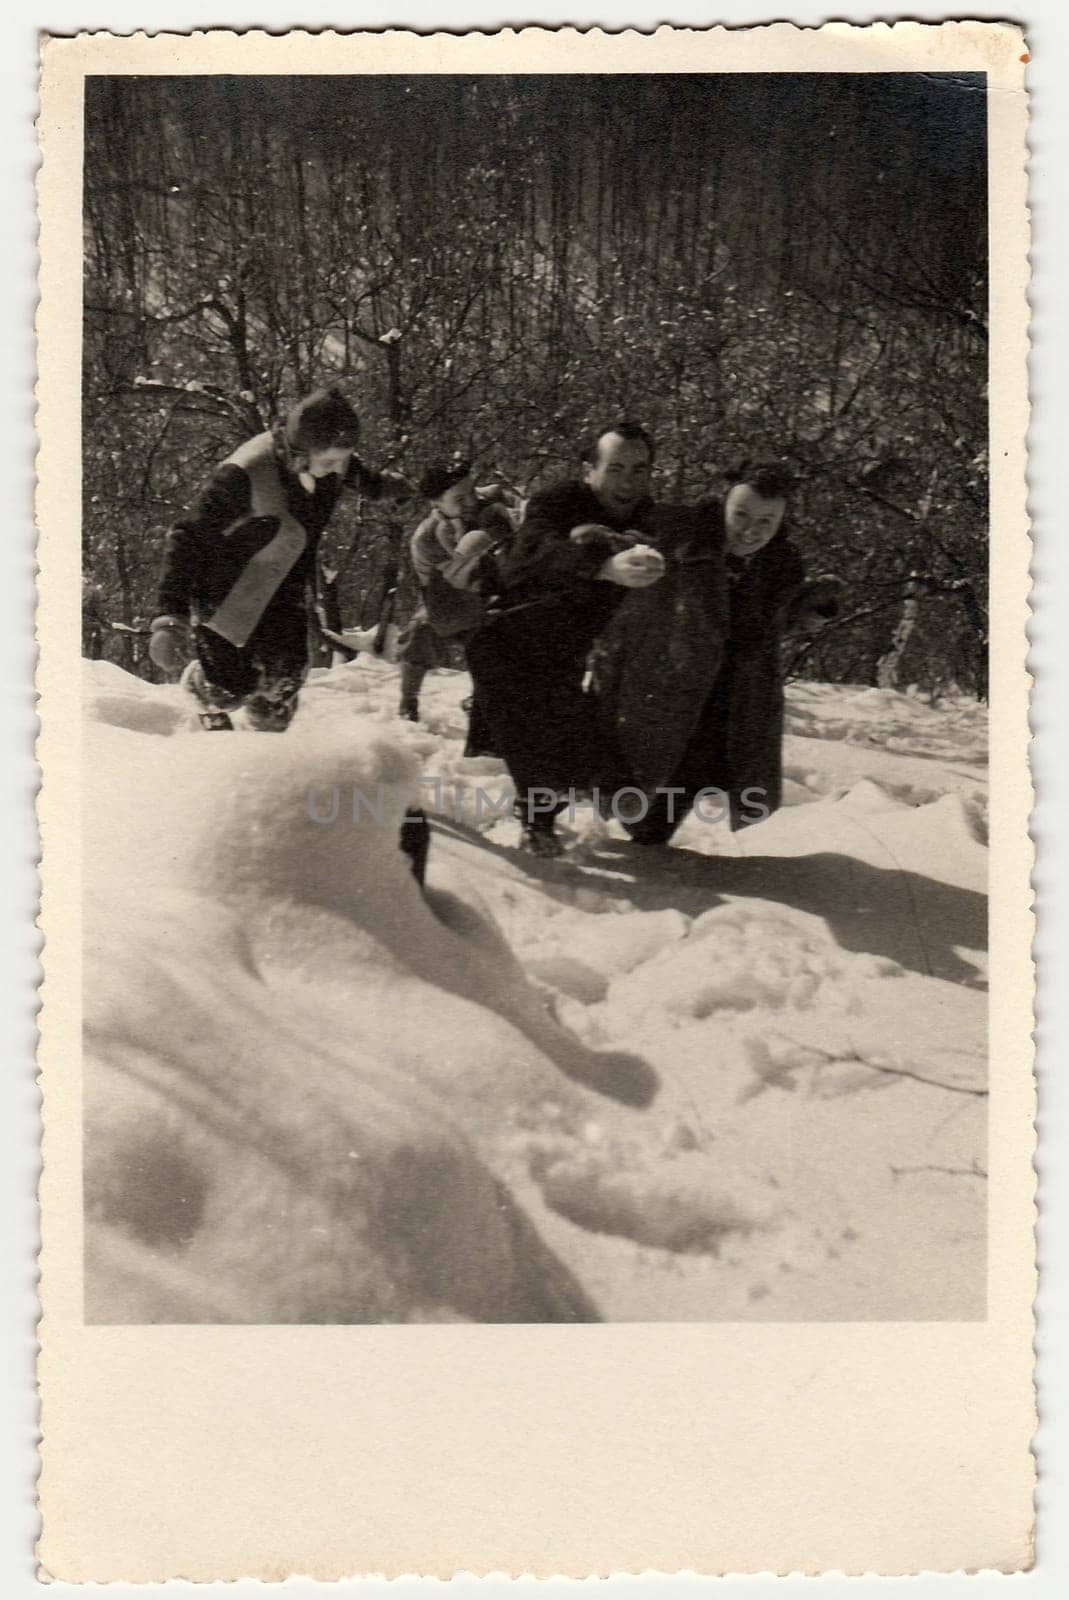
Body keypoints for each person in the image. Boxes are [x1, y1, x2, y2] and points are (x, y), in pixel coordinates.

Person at [593, 461, 841, 847]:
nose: (750, 530)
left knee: (682, 792)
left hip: (728, 704)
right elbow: (622, 558)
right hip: (663, 690)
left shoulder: (780, 564)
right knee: (636, 788)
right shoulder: (679, 537)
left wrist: (804, 611)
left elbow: (758, 626)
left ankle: (651, 864)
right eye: (741, 515)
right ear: (723, 504)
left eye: (766, 521)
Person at [147, 386, 409, 730]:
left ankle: (267, 750)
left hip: (282, 585)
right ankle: (205, 695)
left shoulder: (330, 463)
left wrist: (381, 487)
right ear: (300, 452)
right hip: (225, 591)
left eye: (341, 459)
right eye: (329, 461)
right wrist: (169, 616)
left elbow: (352, 468)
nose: (336, 469)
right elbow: (188, 537)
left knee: (284, 681)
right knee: (230, 686)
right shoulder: (243, 474)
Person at [464, 422, 667, 855]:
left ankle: (545, 818)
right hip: (505, 640)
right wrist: (602, 566)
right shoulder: (556, 502)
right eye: (615, 469)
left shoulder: (648, 518)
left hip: (564, 651)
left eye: (639, 470)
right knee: (536, 748)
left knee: (573, 750)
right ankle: (534, 837)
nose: (627, 483)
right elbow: (530, 558)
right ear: (589, 471)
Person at [395, 459, 516, 722]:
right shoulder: (426, 539)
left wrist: (506, 523)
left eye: (472, 492)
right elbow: (455, 583)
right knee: (421, 634)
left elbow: (517, 520)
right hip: (447, 597)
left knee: (500, 640)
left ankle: (482, 697)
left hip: (495, 590)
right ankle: (408, 699)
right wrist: (478, 547)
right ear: (436, 504)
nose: (471, 502)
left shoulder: (489, 504)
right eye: (460, 499)